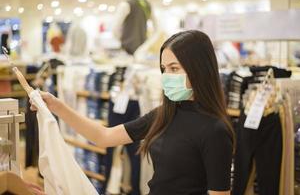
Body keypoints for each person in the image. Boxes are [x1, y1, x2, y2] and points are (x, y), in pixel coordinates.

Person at [31, 30, 234, 195]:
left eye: (175, 68)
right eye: (164, 69)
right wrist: (57, 106)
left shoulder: (215, 130)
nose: (167, 76)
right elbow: (104, 136)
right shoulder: (164, 114)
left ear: (199, 69)